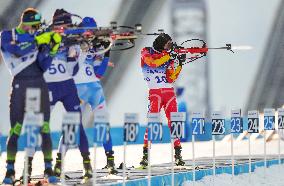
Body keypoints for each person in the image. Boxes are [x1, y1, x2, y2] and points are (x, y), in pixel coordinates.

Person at [0, 8, 60, 184]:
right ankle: (10, 171)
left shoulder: (35, 37)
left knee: (45, 128)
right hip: (20, 84)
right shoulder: (7, 35)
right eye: (33, 26)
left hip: (39, 83)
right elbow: (16, 50)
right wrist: (36, 40)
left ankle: (48, 168)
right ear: (25, 23)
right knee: (16, 129)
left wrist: (52, 47)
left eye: (37, 27)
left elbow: (43, 64)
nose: (35, 29)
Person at [42, 9, 92, 179]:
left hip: (67, 86)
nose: (67, 28)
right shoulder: (45, 35)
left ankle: (86, 164)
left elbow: (73, 70)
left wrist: (74, 54)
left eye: (70, 25)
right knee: (42, 124)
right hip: (48, 86)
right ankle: (48, 165)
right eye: (65, 24)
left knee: (76, 124)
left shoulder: (73, 41)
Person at [71, 17, 117, 174]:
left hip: (84, 89)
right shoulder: (83, 44)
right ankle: (110, 161)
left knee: (75, 124)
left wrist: (106, 52)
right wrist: (105, 51)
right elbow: (99, 72)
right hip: (88, 89)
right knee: (93, 124)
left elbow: (99, 72)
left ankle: (56, 165)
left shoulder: (82, 44)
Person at [139, 33, 186, 168]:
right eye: (168, 44)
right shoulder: (146, 51)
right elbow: (152, 63)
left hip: (169, 93)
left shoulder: (168, 56)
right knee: (152, 123)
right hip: (155, 94)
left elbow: (171, 78)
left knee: (174, 123)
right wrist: (169, 55)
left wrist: (179, 64)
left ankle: (178, 155)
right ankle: (145, 156)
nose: (169, 47)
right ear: (161, 43)